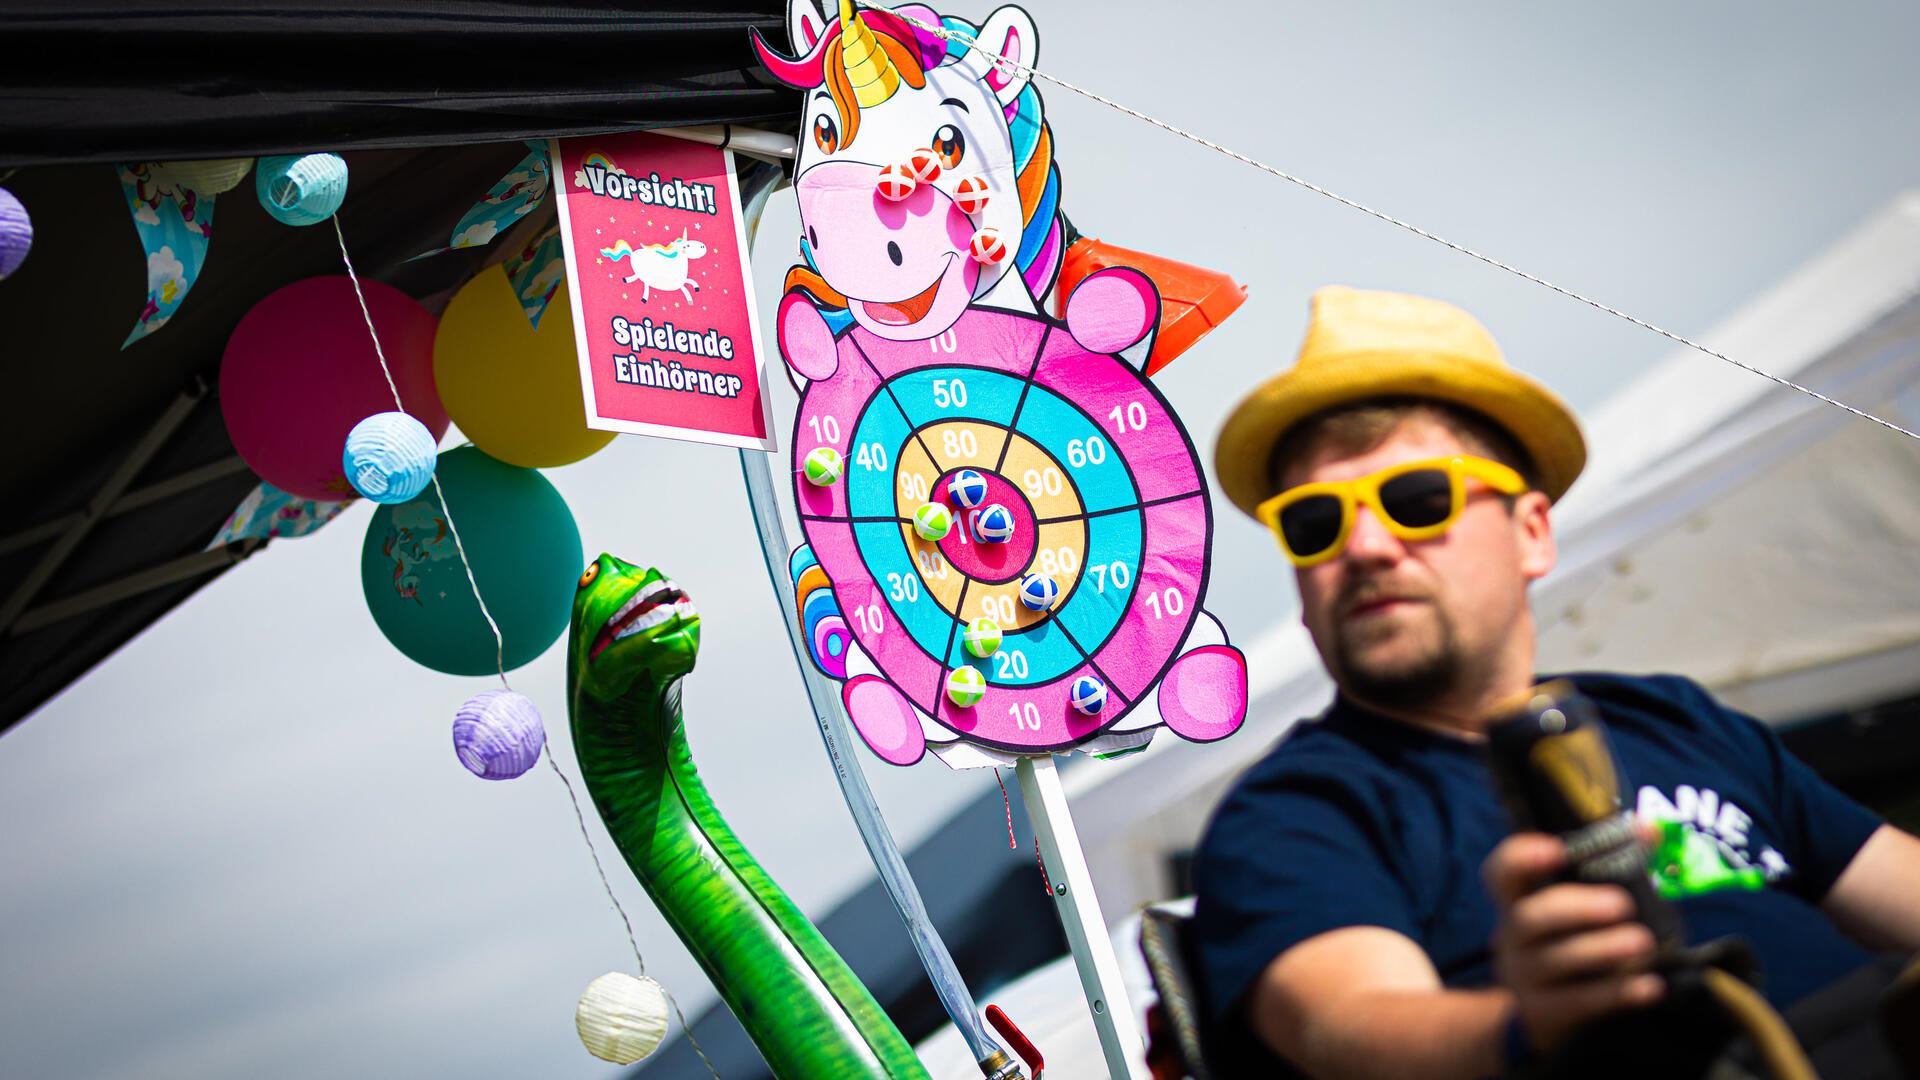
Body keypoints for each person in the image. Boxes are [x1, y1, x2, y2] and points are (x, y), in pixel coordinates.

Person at [1191, 286, 1920, 1078]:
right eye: (1313, 521)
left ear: (1531, 532)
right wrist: (1536, 1025)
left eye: (1416, 499)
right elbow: (1350, 1029)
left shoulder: (1673, 717)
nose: (1364, 545)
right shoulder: (1298, 811)